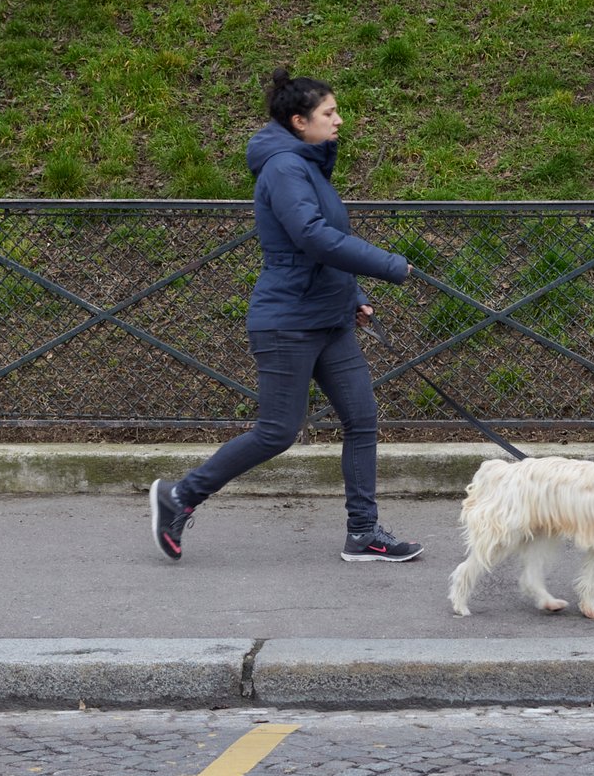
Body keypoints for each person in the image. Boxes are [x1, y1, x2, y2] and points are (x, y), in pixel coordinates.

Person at [150, 69, 424, 564]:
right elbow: (312, 237)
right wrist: (388, 265)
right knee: (277, 431)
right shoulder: (283, 168)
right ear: (299, 121)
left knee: (361, 420)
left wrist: (355, 292)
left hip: (330, 318)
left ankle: (363, 533)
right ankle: (180, 495)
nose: (339, 120)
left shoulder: (308, 166)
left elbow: (323, 247)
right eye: (329, 113)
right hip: (288, 322)